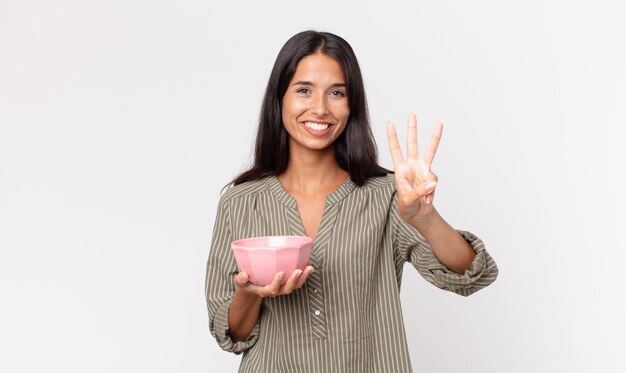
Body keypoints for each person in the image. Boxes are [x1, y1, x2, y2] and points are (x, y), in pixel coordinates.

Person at [205, 30, 498, 372]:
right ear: (279, 98)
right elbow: (231, 334)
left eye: (336, 93)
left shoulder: (387, 195)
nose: (320, 108)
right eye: (304, 90)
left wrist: (424, 216)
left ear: (352, 103)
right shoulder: (240, 202)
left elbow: (470, 276)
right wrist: (251, 293)